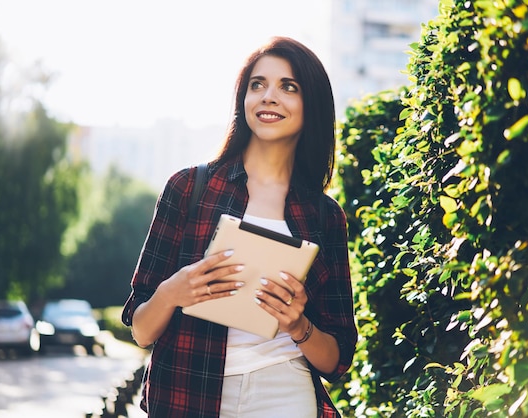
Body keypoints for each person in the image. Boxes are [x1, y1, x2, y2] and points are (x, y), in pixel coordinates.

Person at [121, 36, 357, 418]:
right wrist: (172, 293)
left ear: (310, 106)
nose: (269, 96)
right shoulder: (188, 188)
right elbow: (141, 330)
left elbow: (338, 359)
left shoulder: (325, 217)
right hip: (189, 393)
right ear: (243, 100)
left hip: (284, 392)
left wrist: (298, 324)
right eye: (257, 84)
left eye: (289, 86)